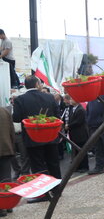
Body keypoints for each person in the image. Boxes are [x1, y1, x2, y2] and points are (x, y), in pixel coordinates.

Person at [11, 75, 61, 203]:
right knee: (53, 163)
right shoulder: (49, 97)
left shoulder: (20, 99)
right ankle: (57, 191)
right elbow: (57, 115)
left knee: (38, 166)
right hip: (50, 135)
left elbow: (16, 118)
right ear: (37, 84)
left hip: (32, 137)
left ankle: (44, 193)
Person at [65, 96, 90, 173]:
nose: (70, 100)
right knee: (75, 151)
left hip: (81, 134)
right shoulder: (72, 109)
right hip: (74, 134)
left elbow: (78, 121)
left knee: (82, 150)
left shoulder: (80, 109)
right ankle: (78, 166)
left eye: (72, 99)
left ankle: (85, 167)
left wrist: (68, 126)